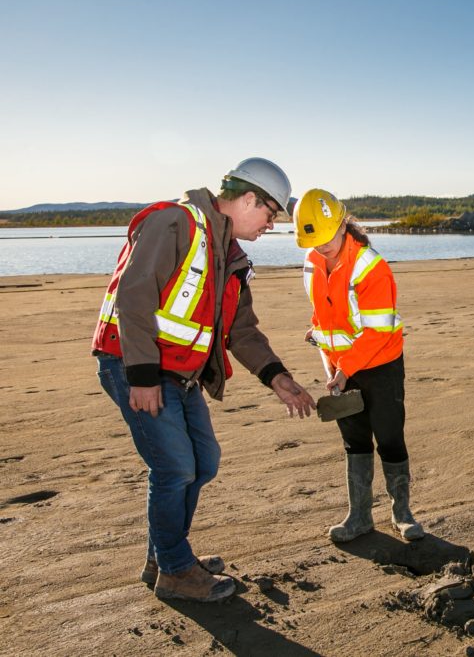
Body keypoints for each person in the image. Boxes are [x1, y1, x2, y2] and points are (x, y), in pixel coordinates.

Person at [92, 157, 317, 602]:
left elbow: (242, 331)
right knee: (174, 467)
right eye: (270, 214)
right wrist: (141, 377)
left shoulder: (231, 256)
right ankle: (175, 570)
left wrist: (278, 378)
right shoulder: (177, 222)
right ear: (249, 198)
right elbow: (133, 296)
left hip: (181, 377)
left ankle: (165, 555)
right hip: (136, 367)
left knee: (204, 462)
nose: (271, 225)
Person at [291, 189, 424, 543]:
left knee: (390, 438)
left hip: (380, 366)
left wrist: (344, 369)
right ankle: (360, 516)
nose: (320, 247)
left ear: (342, 224)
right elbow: (324, 311)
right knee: (354, 442)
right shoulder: (312, 261)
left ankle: (402, 514)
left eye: (325, 238)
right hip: (340, 368)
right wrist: (318, 334)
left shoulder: (370, 266)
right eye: (313, 241)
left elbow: (379, 331)